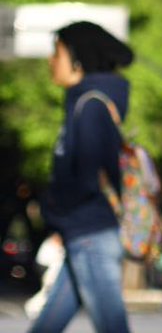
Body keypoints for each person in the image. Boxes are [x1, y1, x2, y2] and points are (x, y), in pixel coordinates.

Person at [29, 21, 134, 333]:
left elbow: (87, 176)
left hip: (91, 235)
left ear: (78, 59)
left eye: (57, 53)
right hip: (85, 234)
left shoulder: (90, 107)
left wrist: (54, 212)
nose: (51, 61)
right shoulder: (84, 102)